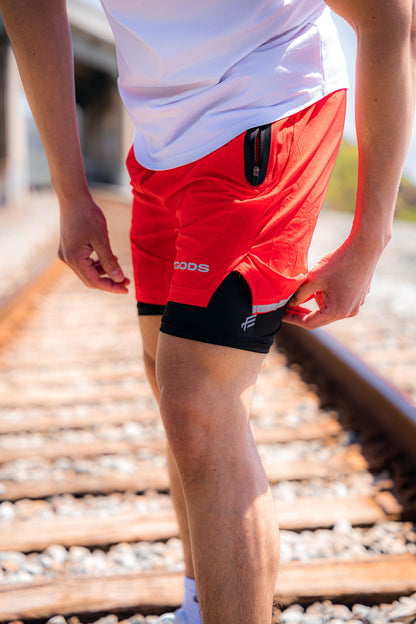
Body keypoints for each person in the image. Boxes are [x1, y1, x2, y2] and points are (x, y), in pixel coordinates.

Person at [1, 1, 414, 623]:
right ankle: (201, 608)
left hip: (269, 109)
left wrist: (369, 237)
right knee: (164, 376)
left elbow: (389, 17)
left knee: (199, 401)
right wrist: (70, 190)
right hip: (162, 138)